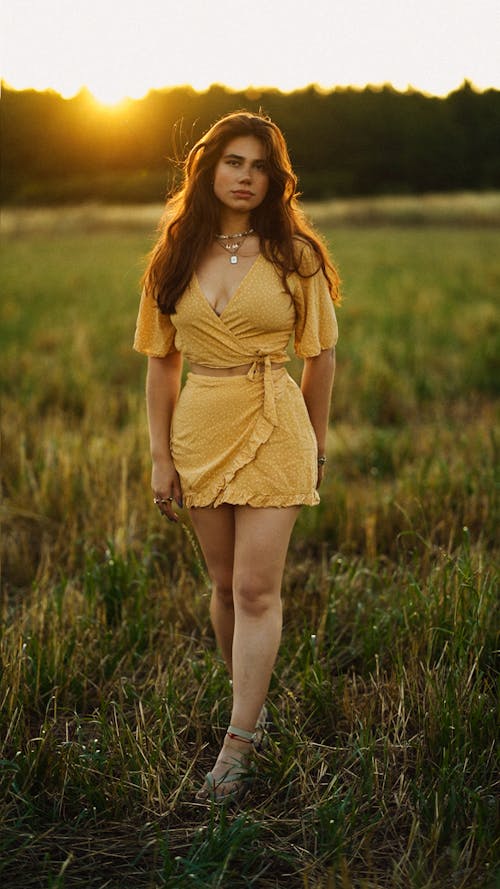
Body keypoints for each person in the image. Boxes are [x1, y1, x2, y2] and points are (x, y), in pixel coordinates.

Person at [134, 110, 340, 804]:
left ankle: (239, 742)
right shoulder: (172, 255)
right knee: (223, 588)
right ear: (209, 170)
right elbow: (161, 366)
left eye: (258, 166)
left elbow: (321, 355)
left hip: (275, 421)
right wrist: (161, 456)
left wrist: (314, 439)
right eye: (233, 163)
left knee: (256, 589)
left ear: (274, 178)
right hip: (200, 425)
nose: (245, 176)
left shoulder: (296, 255)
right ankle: (247, 702)